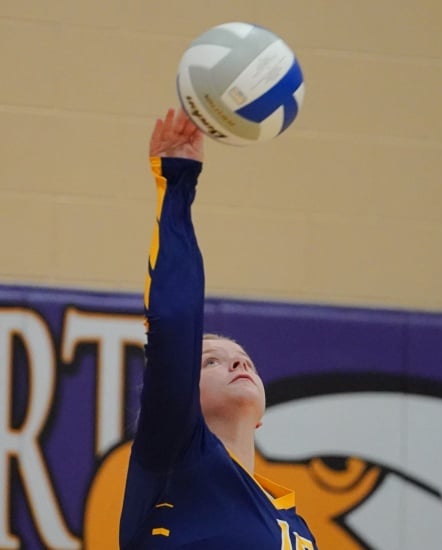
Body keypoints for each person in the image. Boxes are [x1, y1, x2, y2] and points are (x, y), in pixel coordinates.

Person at [119, 108, 318, 549]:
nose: (238, 363)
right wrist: (177, 181)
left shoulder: (298, 528)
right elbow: (174, 322)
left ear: (261, 417)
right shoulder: (175, 455)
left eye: (244, 360)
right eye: (210, 360)